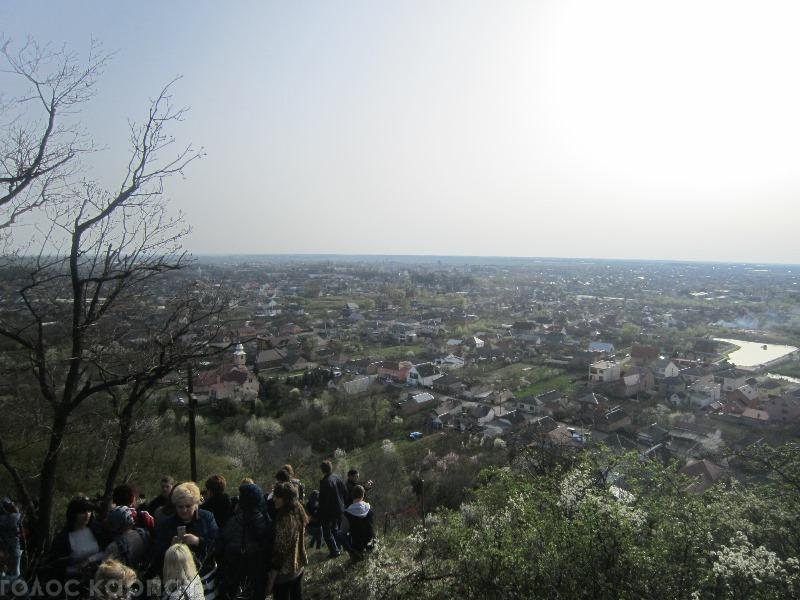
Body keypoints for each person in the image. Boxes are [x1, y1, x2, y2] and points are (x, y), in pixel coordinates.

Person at [151, 482, 218, 599]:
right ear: (175, 506)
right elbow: (155, 551)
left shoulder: (207, 518)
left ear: (196, 505)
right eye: (180, 507)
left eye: (188, 506)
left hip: (204, 575)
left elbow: (218, 543)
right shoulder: (167, 523)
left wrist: (198, 541)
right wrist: (170, 545)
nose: (184, 510)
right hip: (175, 581)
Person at [219, 483, 270, 600]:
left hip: (236, 570)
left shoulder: (234, 521)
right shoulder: (264, 520)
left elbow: (224, 538)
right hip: (258, 571)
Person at [48, 495, 107, 592]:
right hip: (72, 587)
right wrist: (78, 570)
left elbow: (105, 551)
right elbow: (58, 569)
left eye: (89, 511)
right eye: (82, 512)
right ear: (73, 514)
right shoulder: (63, 539)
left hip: (98, 582)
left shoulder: (96, 530)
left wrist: (89, 560)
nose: (87, 514)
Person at [266, 482, 308, 600]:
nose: (274, 499)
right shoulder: (298, 512)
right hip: (298, 567)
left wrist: (271, 580)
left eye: (277, 497)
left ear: (286, 499)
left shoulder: (284, 521)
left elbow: (280, 553)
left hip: (285, 573)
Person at [317, 460, 347, 559]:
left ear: (322, 470)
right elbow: (345, 492)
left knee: (327, 532)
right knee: (337, 530)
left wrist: (321, 513)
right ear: (331, 467)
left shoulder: (326, 482)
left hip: (330, 512)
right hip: (340, 508)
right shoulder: (338, 477)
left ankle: (335, 551)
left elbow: (324, 501)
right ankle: (339, 548)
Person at [338, 485, 376, 560]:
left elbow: (344, 530)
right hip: (371, 540)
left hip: (357, 543)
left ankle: (353, 553)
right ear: (363, 495)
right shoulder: (369, 507)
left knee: (340, 534)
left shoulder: (348, 512)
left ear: (352, 495)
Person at [0, 497, 22, 582]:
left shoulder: (5, 520)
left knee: (3, 574)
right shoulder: (14, 518)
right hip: (14, 549)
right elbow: (17, 512)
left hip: (4, 550)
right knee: (15, 573)